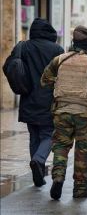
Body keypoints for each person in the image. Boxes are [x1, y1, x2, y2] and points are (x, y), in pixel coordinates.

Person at [41, 25, 87, 200]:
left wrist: (60, 83)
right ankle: (80, 188)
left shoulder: (60, 60)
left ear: (73, 41)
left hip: (62, 111)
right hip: (84, 114)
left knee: (61, 147)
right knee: (82, 150)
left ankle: (57, 177)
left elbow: (45, 80)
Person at [5, 18, 64, 187]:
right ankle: (38, 160)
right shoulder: (57, 49)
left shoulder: (24, 47)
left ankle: (36, 174)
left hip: (28, 98)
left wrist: (21, 81)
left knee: (34, 136)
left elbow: (7, 66)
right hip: (49, 100)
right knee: (49, 134)